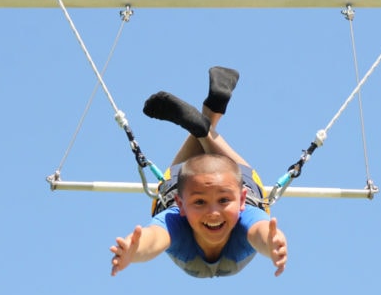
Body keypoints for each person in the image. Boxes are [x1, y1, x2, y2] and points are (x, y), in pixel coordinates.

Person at [110, 67, 288, 278]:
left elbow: (262, 231)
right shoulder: (175, 219)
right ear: (181, 205)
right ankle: (206, 125)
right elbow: (152, 238)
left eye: (223, 201)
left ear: (241, 202)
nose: (213, 212)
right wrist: (135, 251)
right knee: (235, 176)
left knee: (224, 175)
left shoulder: (245, 216)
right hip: (228, 183)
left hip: (191, 183)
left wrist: (271, 243)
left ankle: (206, 124)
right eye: (200, 203)